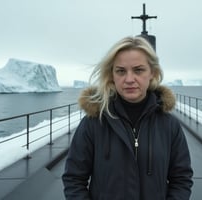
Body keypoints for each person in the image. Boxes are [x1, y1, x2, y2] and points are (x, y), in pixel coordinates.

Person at [62, 36, 193, 200]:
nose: (129, 79)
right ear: (112, 75)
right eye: (121, 71)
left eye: (138, 70)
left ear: (152, 73)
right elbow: (74, 179)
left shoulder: (169, 125)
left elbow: (181, 179)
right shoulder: (93, 123)